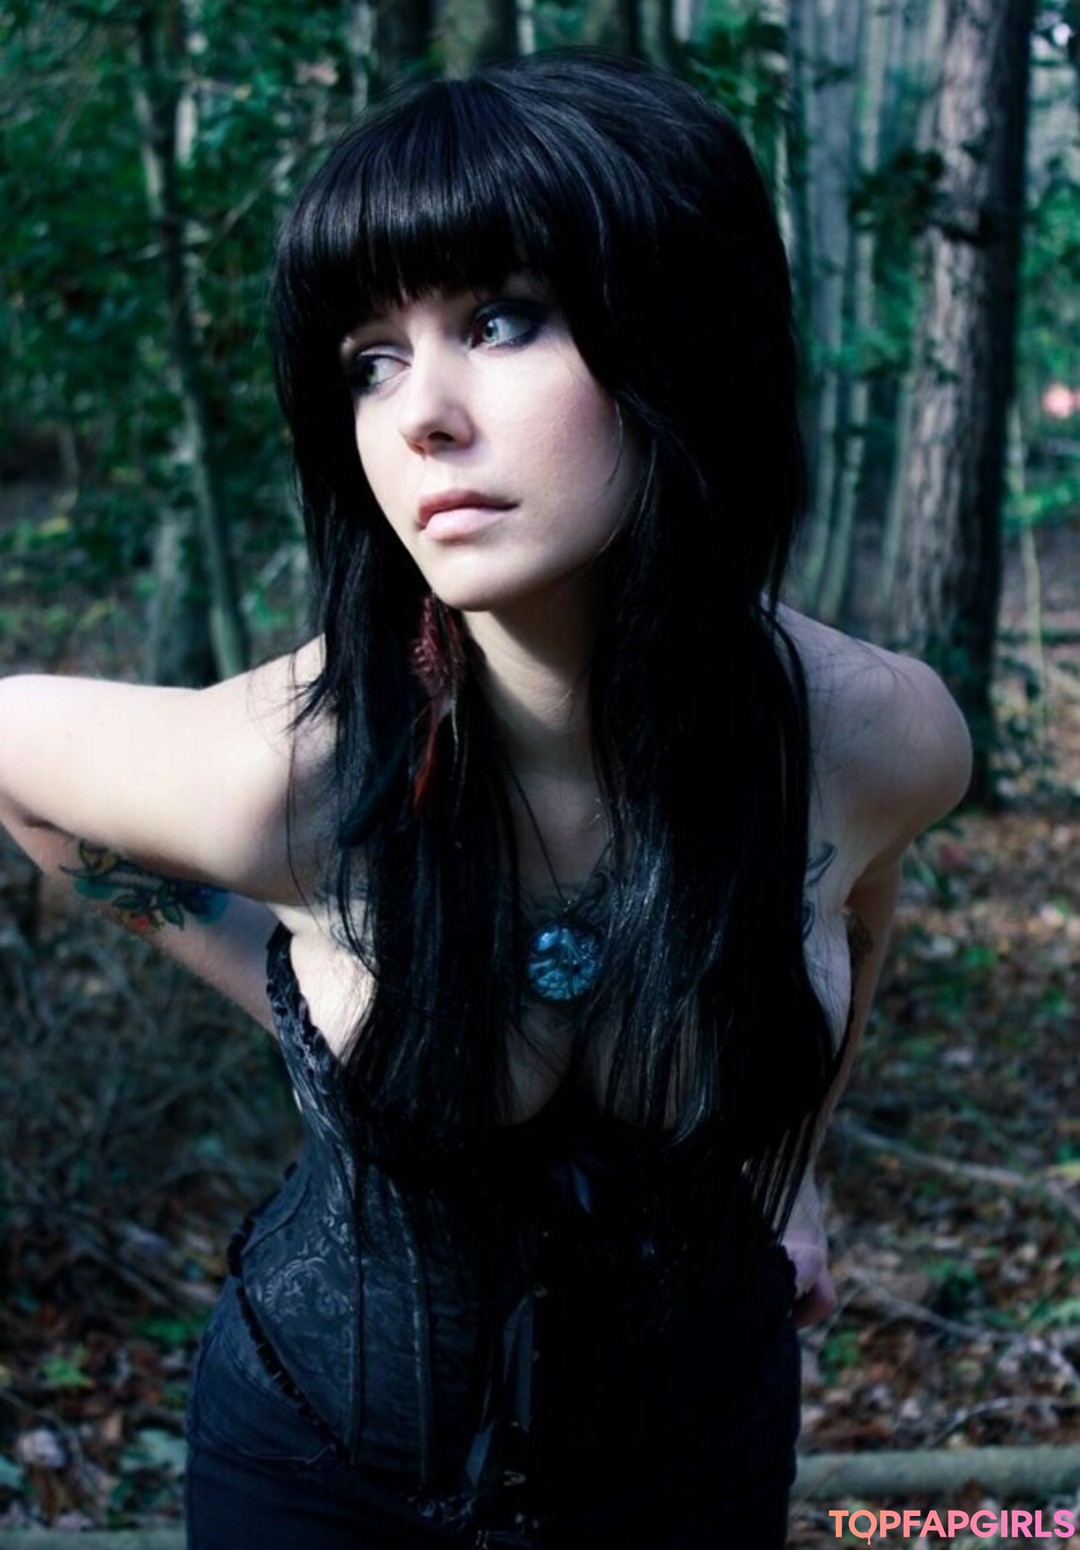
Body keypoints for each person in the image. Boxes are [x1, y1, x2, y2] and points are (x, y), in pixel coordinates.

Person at [0, 49, 971, 1550]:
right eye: (370, 359)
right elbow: (18, 756)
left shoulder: (875, 736)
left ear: (680, 331)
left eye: (501, 319)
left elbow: (856, 892)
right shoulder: (294, 779)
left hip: (701, 1461)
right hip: (321, 1473)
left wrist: (797, 1177)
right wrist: (276, 983)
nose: (419, 417)